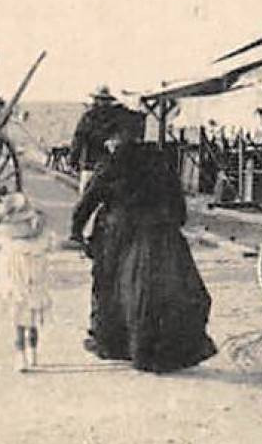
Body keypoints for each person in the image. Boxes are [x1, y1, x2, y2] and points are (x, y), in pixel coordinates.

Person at [69, 112, 217, 374]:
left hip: (120, 235)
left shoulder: (111, 164)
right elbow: (178, 205)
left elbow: (87, 202)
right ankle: (164, 350)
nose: (108, 144)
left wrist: (77, 232)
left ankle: (113, 343)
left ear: (118, 138)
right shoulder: (160, 161)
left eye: (110, 139)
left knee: (111, 287)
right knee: (166, 293)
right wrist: (174, 226)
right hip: (161, 234)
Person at [0, 192, 53, 372]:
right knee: (31, 313)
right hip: (31, 279)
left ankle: (22, 352)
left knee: (20, 315)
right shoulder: (40, 241)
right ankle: (30, 350)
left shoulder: (6, 240)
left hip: (18, 279)